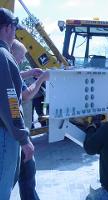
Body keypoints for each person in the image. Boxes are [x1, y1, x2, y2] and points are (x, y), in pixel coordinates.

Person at [0, 8, 34, 199]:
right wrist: (23, 138)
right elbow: (11, 100)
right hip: (5, 134)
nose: (15, 34)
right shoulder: (4, 55)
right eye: (14, 28)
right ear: (7, 27)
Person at [11, 39, 49, 200]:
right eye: (20, 58)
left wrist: (30, 73)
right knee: (26, 171)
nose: (21, 61)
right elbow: (26, 96)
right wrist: (41, 79)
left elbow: (16, 74)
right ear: (12, 55)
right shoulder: (9, 68)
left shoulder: (5, 68)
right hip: (14, 134)